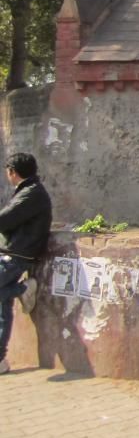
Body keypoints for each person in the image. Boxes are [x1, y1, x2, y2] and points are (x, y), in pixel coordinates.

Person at [0, 152, 52, 375]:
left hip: (18, 255)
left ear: (12, 171)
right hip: (15, 253)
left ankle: (24, 288)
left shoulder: (31, 194)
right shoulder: (28, 191)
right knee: (3, 306)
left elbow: (4, 220)